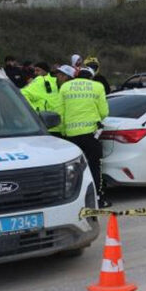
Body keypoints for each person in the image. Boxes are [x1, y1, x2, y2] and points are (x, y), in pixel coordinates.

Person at [59, 65, 110, 207]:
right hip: (91, 135)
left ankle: (73, 201)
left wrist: (64, 132)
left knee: (73, 170)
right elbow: (104, 112)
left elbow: (60, 113)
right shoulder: (97, 86)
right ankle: (99, 199)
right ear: (91, 76)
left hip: (71, 136)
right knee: (95, 167)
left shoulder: (65, 87)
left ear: (77, 75)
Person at [21, 63, 65, 137]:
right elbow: (23, 94)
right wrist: (35, 112)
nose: (35, 73)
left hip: (50, 127)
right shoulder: (41, 80)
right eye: (34, 70)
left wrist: (33, 113)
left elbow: (22, 94)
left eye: (38, 70)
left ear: (45, 71)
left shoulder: (42, 80)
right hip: (52, 126)